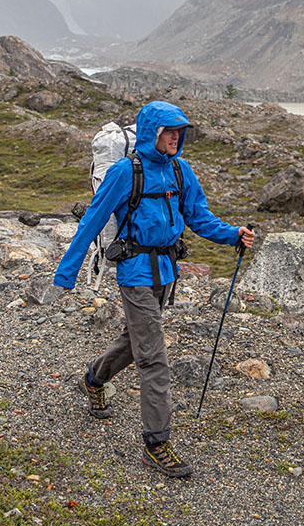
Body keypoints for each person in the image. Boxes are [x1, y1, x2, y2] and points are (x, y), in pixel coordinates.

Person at [53, 99, 255, 478]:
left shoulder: (181, 171)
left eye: (181, 131)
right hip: (134, 273)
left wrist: (232, 235)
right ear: (152, 133)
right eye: (169, 131)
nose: (176, 137)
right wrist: (67, 273)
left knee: (136, 341)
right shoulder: (124, 173)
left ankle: (93, 379)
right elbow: (92, 221)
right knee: (154, 357)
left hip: (166, 272)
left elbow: (198, 217)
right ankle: (156, 443)